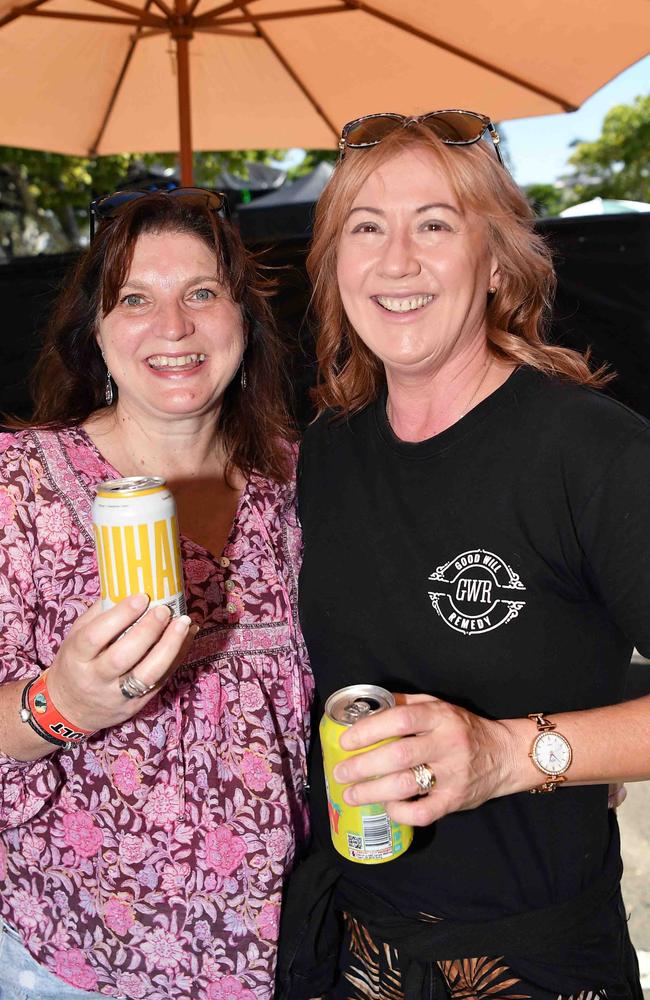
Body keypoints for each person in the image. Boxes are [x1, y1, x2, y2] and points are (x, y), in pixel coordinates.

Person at [278, 113, 648, 999]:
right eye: (365, 227)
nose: (396, 260)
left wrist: (518, 755)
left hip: (539, 964)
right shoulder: (326, 451)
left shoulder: (592, 453)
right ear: (335, 267)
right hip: (353, 953)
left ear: (495, 264)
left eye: (435, 224)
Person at [0, 189, 313, 1000]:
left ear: (243, 320)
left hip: (278, 956)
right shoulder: (16, 484)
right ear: (95, 334)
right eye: (134, 299)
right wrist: (60, 701)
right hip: (66, 963)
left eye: (202, 293)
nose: (173, 327)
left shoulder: (305, 484)